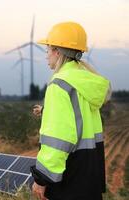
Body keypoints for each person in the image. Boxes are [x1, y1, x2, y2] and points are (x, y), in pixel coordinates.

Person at [30, 22, 111, 200]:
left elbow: (59, 139)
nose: (46, 55)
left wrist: (42, 179)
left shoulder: (59, 85)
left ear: (57, 51)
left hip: (69, 180)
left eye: (47, 49)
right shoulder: (85, 83)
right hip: (89, 177)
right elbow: (77, 118)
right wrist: (47, 111)